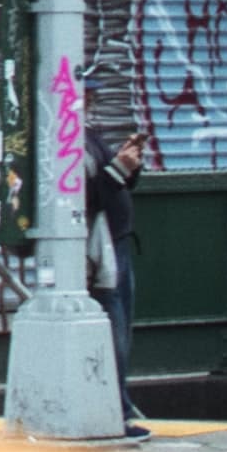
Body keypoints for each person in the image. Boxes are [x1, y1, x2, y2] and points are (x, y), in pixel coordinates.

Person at [89, 121, 152, 435]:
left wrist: (128, 166)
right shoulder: (68, 140)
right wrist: (117, 170)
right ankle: (117, 412)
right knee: (113, 331)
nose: (93, 101)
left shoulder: (88, 136)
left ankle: (119, 408)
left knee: (121, 328)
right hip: (102, 250)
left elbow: (114, 186)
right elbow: (84, 195)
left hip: (117, 244)